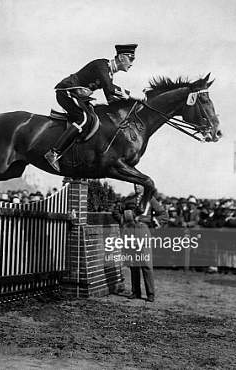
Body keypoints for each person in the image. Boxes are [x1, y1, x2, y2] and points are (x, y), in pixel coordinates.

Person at [44, 44, 138, 172]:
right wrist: (133, 95)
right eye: (131, 58)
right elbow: (110, 89)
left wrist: (132, 104)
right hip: (66, 91)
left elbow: (110, 99)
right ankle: (54, 153)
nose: (132, 63)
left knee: (94, 118)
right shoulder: (102, 65)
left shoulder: (109, 74)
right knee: (83, 118)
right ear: (121, 57)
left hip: (77, 96)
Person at [112, 184, 167, 302]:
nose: (136, 186)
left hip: (143, 232)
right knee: (133, 265)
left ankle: (150, 294)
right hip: (130, 233)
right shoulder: (129, 199)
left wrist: (154, 221)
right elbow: (116, 210)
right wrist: (123, 219)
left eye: (139, 184)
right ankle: (135, 292)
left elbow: (163, 214)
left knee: (146, 264)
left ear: (144, 186)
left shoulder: (150, 199)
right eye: (135, 184)